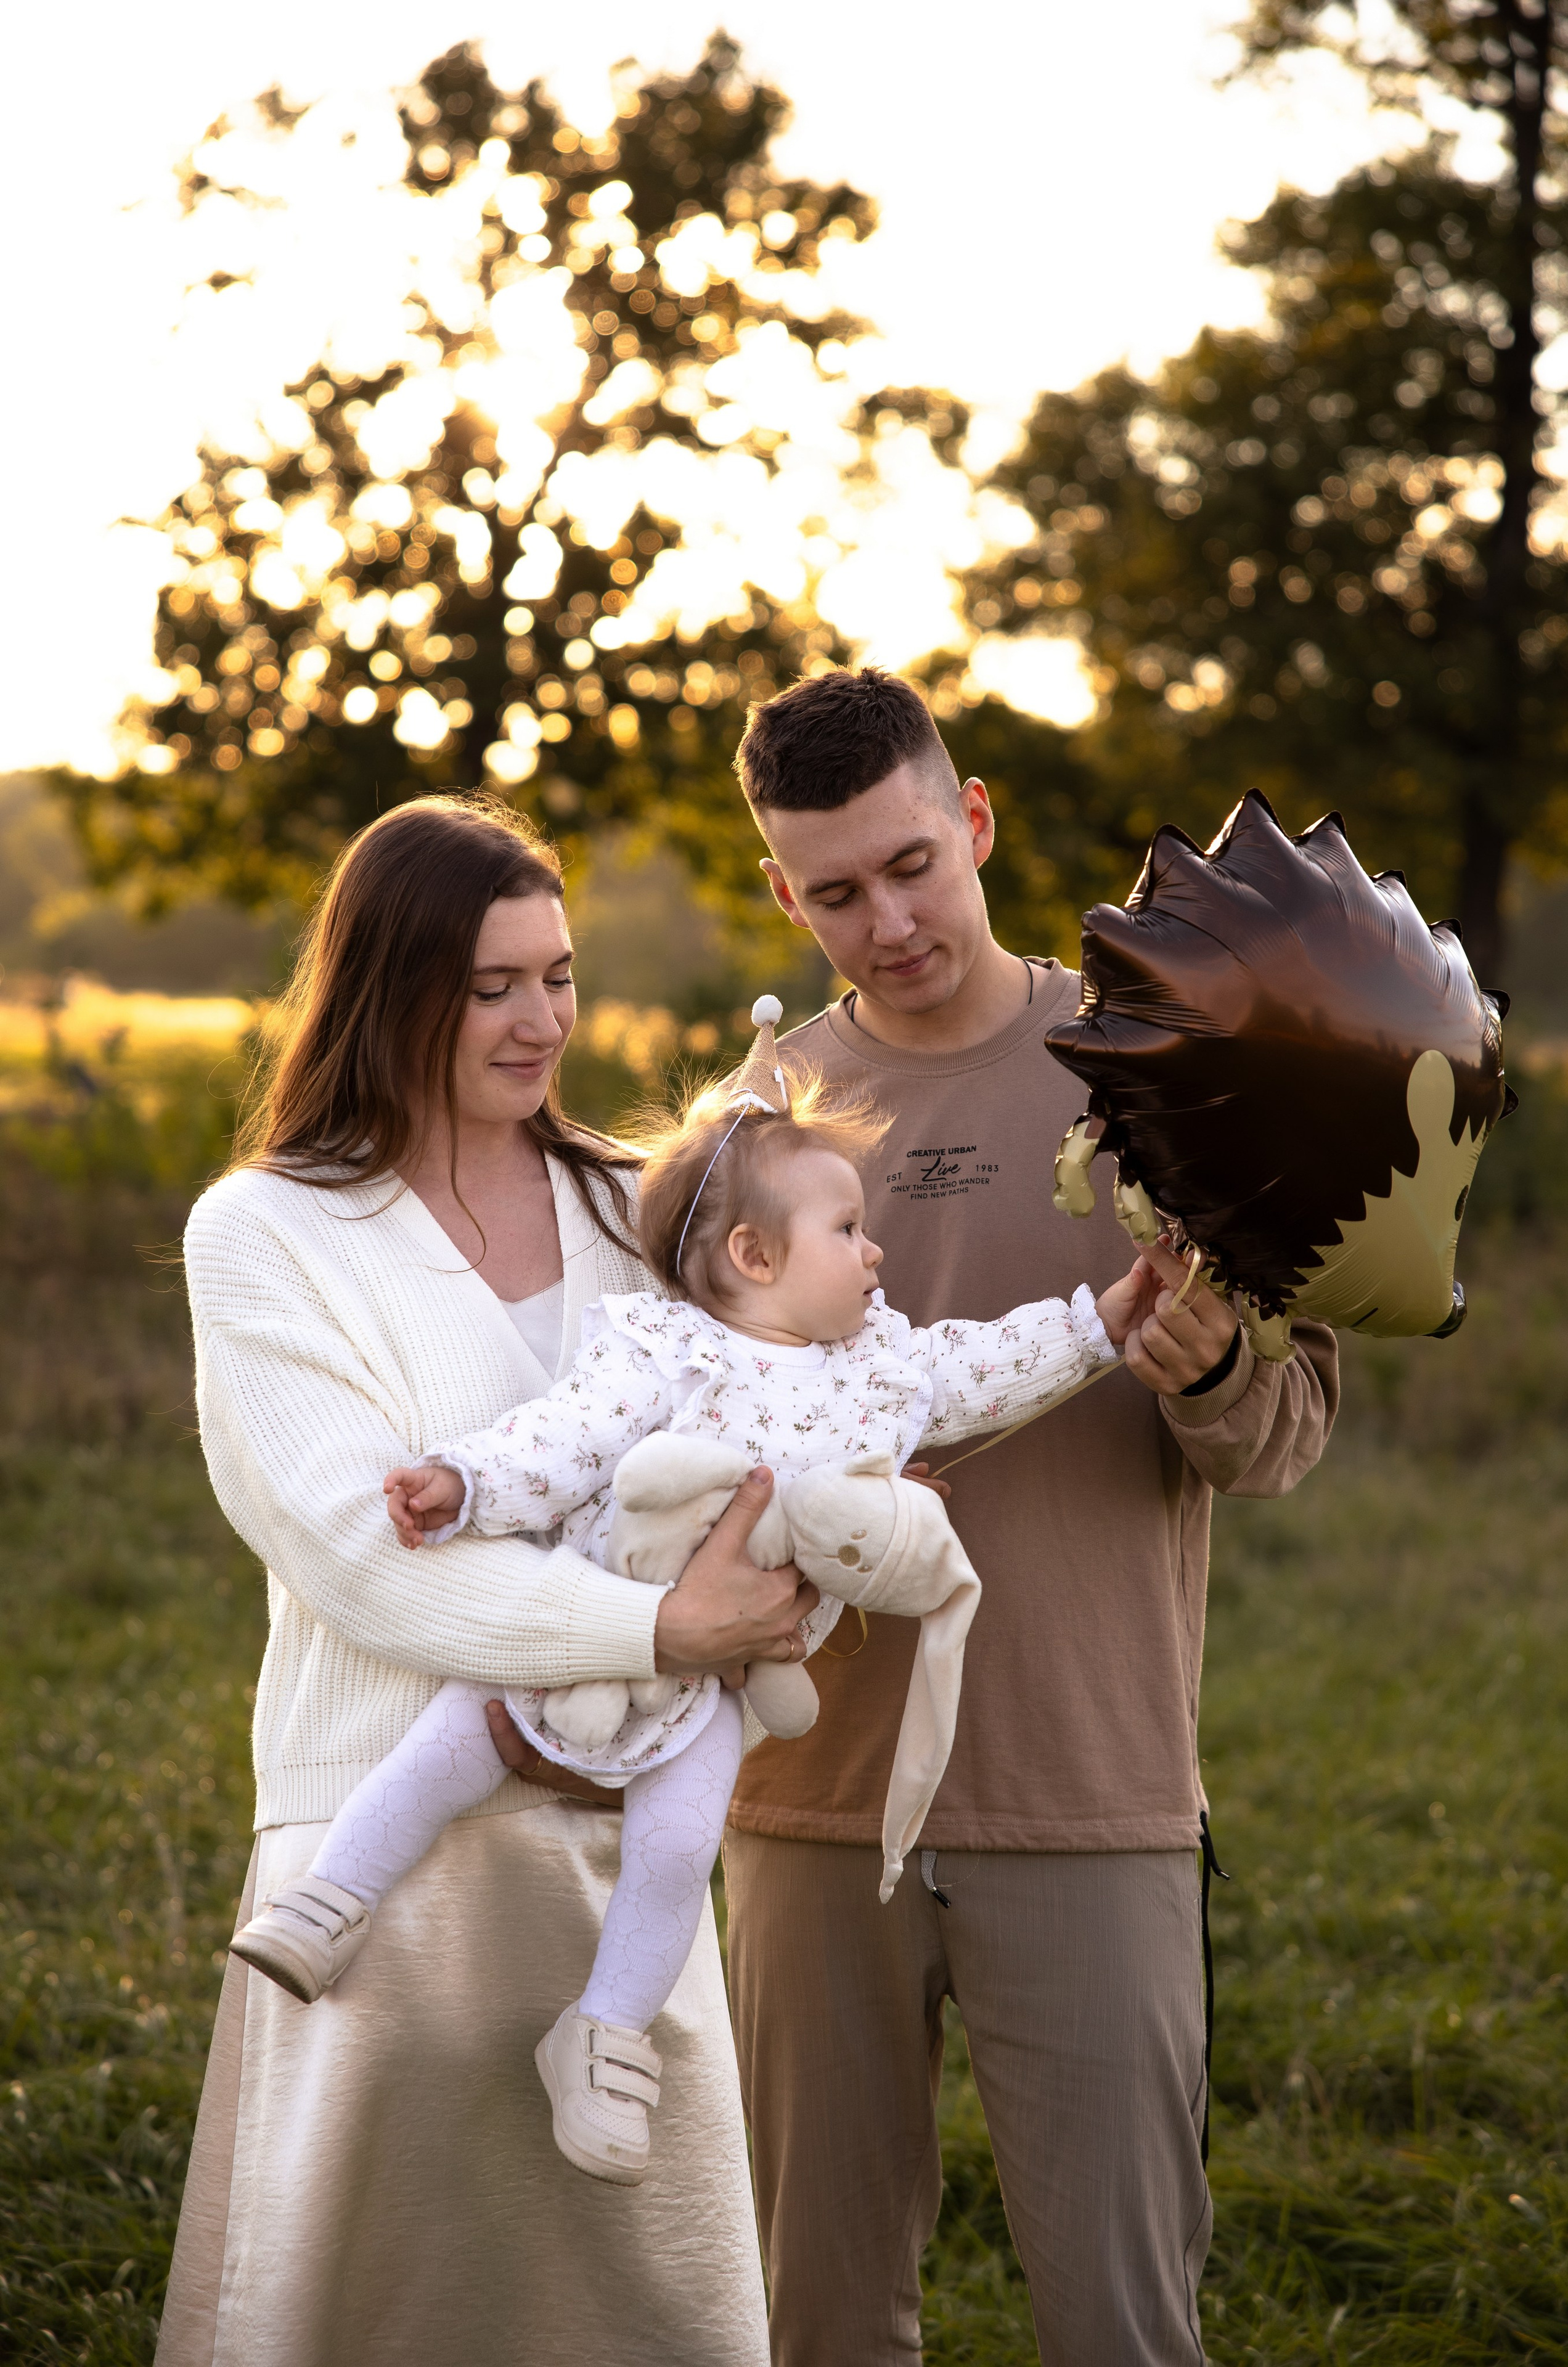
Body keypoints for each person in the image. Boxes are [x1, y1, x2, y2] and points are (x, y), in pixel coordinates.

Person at [229, 1012, 1148, 2190]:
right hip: (589, 1623)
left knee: (676, 1851)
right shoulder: (666, 1349)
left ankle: (605, 2037)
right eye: (848, 1229)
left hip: (715, 1689)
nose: (876, 1254)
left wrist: (1097, 1326)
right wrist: (465, 1484)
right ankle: (331, 1900)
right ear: (755, 1257)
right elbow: (562, 1439)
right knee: (446, 1749)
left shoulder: (883, 1364)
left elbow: (986, 1364)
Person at [727, 671, 1337, 2365]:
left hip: (1090, 1791)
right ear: (781, 893)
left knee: (1121, 2327)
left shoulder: (1168, 1066)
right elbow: (677, 1425)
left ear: (976, 821)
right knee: (817, 2324)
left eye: (911, 865)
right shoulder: (757, 1122)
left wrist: (1211, 1371)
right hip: (808, 1804)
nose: (887, 921)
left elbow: (1283, 1438)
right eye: (834, 892)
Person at [157, 796, 813, 2367]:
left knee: (634, 2315)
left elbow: (777, 1422)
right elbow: (361, 1554)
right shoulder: (266, 1233)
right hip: (386, 1854)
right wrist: (656, 1629)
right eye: (490, 986)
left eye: (559, 976)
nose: (542, 1021)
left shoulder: (636, 1207)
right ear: (390, 990)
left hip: (625, 1858)